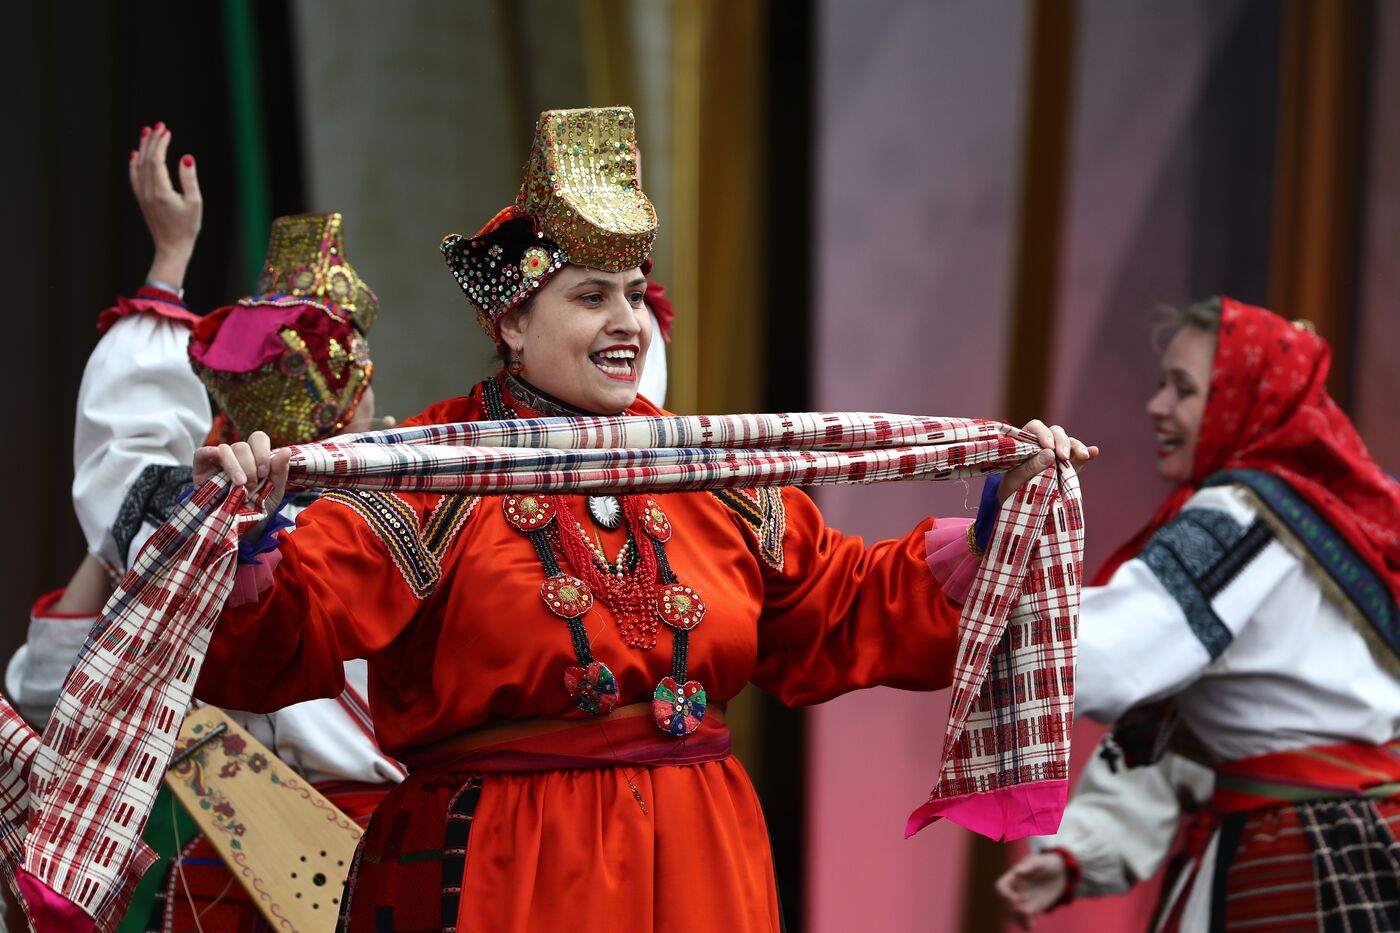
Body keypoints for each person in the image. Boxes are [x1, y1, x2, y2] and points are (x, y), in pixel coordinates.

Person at [192, 106, 1093, 933]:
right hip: (508, 867)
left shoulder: (700, 466)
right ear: (510, 320)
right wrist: (248, 558)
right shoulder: (437, 470)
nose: (629, 321)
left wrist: (997, 528)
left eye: (634, 291)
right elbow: (292, 625)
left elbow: (838, 605)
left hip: (702, 862)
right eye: (592, 297)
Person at [988, 297, 1400, 931]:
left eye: (1184, 389)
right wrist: (1082, 851)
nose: (1157, 407)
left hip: (1301, 858)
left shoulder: (1238, 517)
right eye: (1162, 384)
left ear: (1246, 400)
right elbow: (1208, 713)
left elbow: (1105, 660)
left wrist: (992, 560)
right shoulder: (1326, 518)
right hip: (1363, 842)